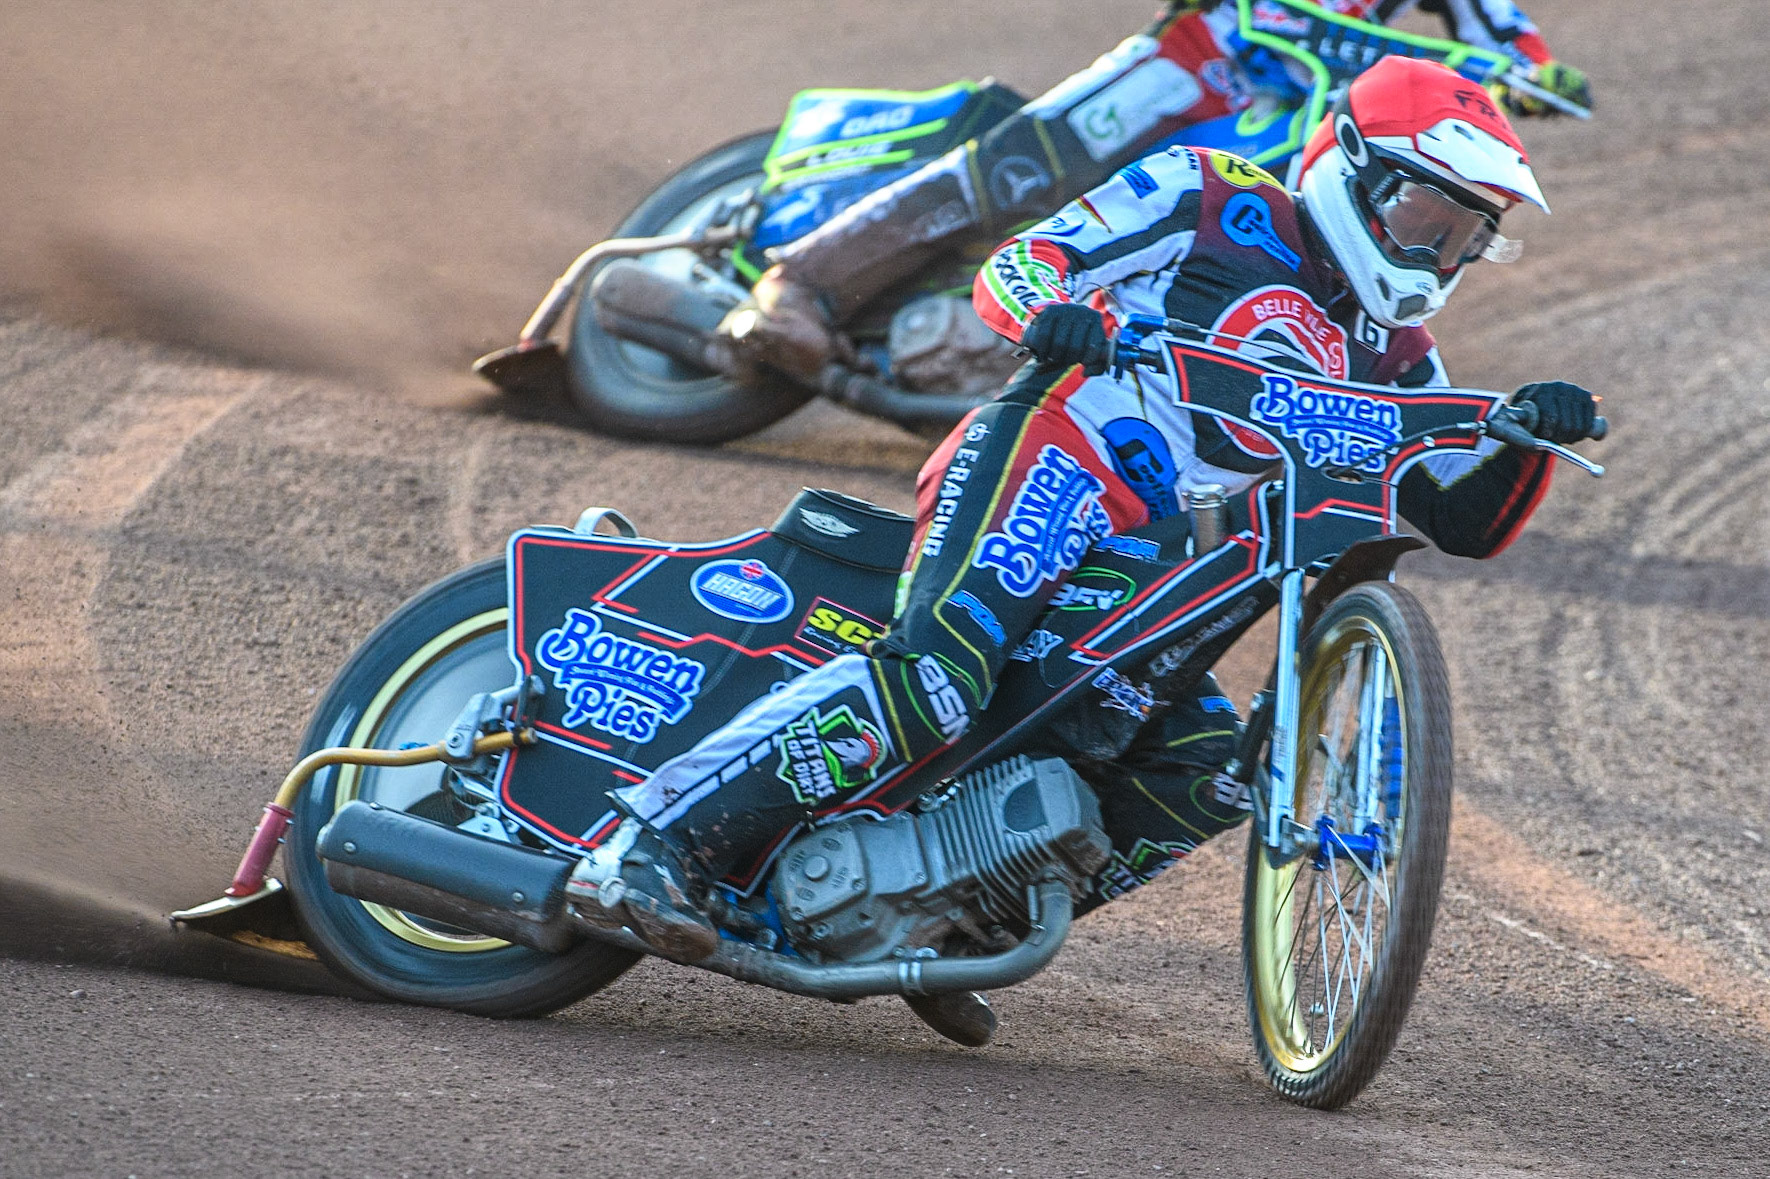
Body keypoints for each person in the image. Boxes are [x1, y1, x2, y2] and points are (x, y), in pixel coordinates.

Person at [568, 57, 1601, 1046]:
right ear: (1354, 169)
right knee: (933, 676)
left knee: (1209, 772)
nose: (1441, 249)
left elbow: (1462, 524)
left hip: (1158, 556)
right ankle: (651, 846)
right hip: (1057, 453)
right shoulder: (1210, 193)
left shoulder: (1400, 357)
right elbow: (1027, 263)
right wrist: (1052, 316)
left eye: (1468, 233)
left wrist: (1530, 442)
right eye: (1428, 213)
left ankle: (943, 925)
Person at [722, 0, 1591, 385]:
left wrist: (1537, 77)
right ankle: (801, 279)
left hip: (1297, 100)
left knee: (1283, 230)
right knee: (1034, 163)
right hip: (1197, 56)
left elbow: (1505, 34)